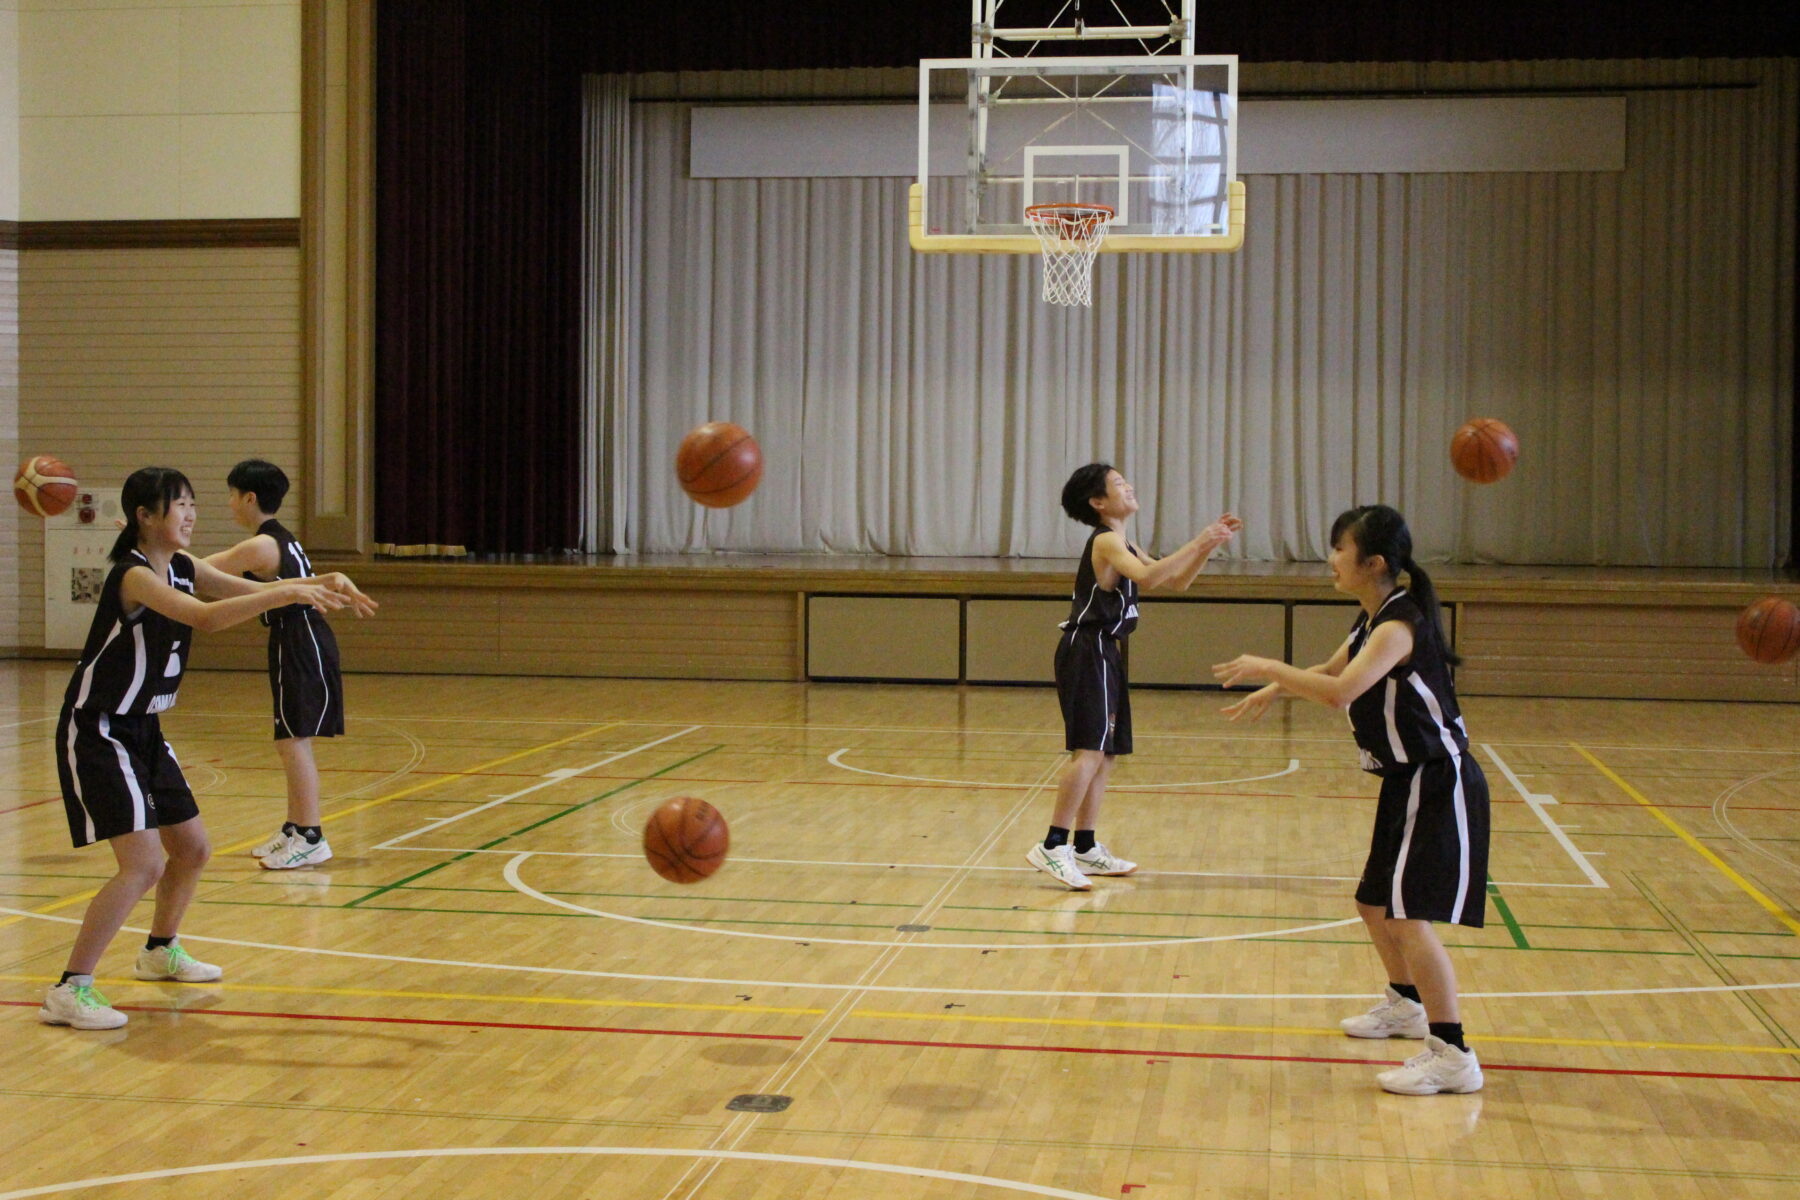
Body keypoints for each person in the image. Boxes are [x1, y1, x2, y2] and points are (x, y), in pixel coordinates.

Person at [39, 467, 368, 1031]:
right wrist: (292, 588)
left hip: (145, 728)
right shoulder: (134, 576)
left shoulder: (186, 566)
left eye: (193, 504)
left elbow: (251, 591)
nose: (190, 514)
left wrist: (318, 580)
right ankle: (71, 988)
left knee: (192, 849)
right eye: (179, 506)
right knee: (141, 865)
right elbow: (208, 618)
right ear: (146, 517)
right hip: (100, 729)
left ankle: (159, 950)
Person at [1212, 503, 1488, 1095]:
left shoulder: (1397, 626)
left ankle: (1453, 1053)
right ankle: (1406, 1006)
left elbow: (1340, 692)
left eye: (1341, 548)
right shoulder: (1371, 619)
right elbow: (1333, 668)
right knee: (1372, 904)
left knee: (1411, 918)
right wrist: (1273, 686)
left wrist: (1271, 664)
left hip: (1438, 781)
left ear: (1375, 562)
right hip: (1403, 781)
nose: (1331, 558)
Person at [1027, 463, 1241, 890]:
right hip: (1086, 649)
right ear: (1098, 502)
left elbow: (1174, 580)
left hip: (1104, 650)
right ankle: (1053, 845)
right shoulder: (1107, 541)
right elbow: (1147, 576)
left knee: (1105, 755)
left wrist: (1206, 547)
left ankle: (1085, 847)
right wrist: (1198, 539)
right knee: (1088, 752)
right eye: (1120, 484)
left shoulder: (1125, 541)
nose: (1130, 486)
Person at [206, 460, 370, 870]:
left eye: (231, 495)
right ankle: (295, 827)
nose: (229, 505)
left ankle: (311, 835)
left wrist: (149, 552)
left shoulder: (260, 545)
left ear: (250, 497)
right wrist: (333, 576)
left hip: (300, 640)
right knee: (289, 739)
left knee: (294, 740)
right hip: (300, 638)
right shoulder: (282, 539)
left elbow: (196, 571)